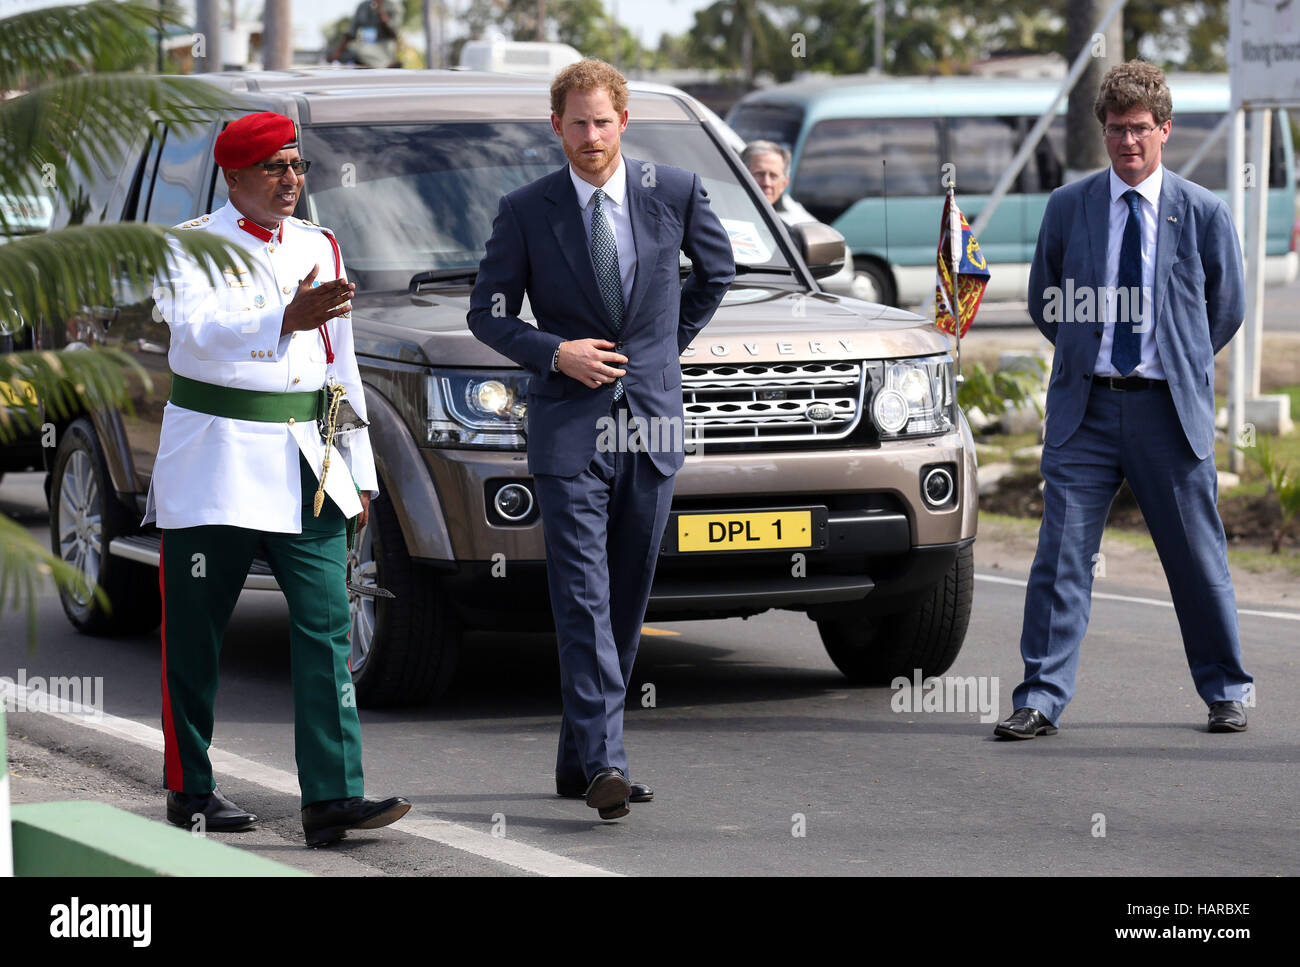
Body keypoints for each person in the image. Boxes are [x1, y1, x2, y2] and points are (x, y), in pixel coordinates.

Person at [467, 60, 734, 819]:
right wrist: (556, 352)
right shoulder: (526, 209)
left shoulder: (674, 193)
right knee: (582, 597)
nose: (590, 136)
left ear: (624, 122)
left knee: (623, 602)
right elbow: (487, 313)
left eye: (602, 121)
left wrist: (659, 349)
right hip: (567, 431)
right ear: (556, 128)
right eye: (576, 123)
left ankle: (579, 755)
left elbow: (716, 273)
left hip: (649, 423)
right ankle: (608, 765)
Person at [147, 111, 411, 846]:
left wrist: (358, 470)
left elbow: (341, 365)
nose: (292, 179)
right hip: (216, 462)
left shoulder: (320, 244)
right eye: (274, 167)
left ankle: (331, 797)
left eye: (297, 165)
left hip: (307, 458)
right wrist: (281, 317)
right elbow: (191, 338)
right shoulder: (191, 245)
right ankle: (189, 789)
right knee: (195, 634)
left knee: (327, 628)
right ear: (234, 178)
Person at [994, 61, 1254, 739]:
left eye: (1140, 129)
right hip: (1086, 412)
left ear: (1165, 130)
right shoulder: (1068, 206)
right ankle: (1040, 697)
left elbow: (1224, 309)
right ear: (1102, 132)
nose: (1127, 142)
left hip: (1168, 413)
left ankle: (1226, 689)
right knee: (1060, 556)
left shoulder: (1202, 212)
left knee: (1197, 558)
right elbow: (1046, 299)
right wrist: (1090, 353)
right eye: (1115, 130)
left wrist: (1178, 361)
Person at [741, 140, 862, 299]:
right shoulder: (720, 218)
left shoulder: (785, 232)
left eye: (773, 176)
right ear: (740, 176)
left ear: (784, 184)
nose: (767, 183)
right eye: (759, 174)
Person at [329, 0, 403, 69]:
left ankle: (386, 65)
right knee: (330, 52)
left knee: (363, 51)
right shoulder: (362, 6)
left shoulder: (394, 6)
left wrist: (380, 12)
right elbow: (351, 34)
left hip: (384, 49)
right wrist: (337, 53)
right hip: (365, 45)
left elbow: (394, 33)